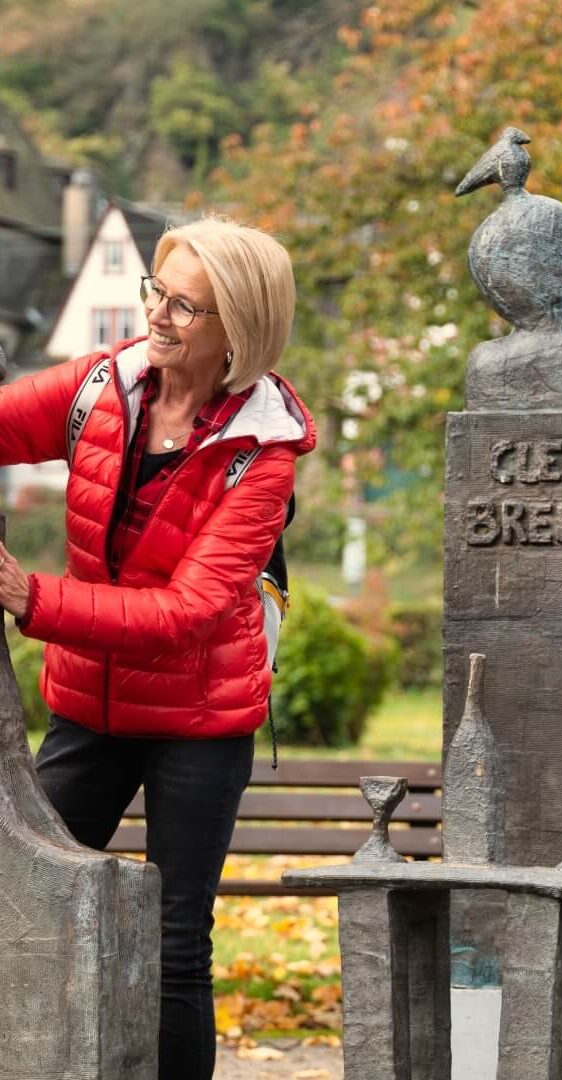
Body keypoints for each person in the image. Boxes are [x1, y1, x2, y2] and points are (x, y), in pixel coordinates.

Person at [0, 217, 316, 1079]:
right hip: (89, 708)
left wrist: (31, 598)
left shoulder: (263, 454)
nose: (160, 316)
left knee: (177, 943)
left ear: (236, 332)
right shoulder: (104, 386)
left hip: (198, 722)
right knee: (24, 903)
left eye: (187, 305)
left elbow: (186, 612)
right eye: (157, 291)